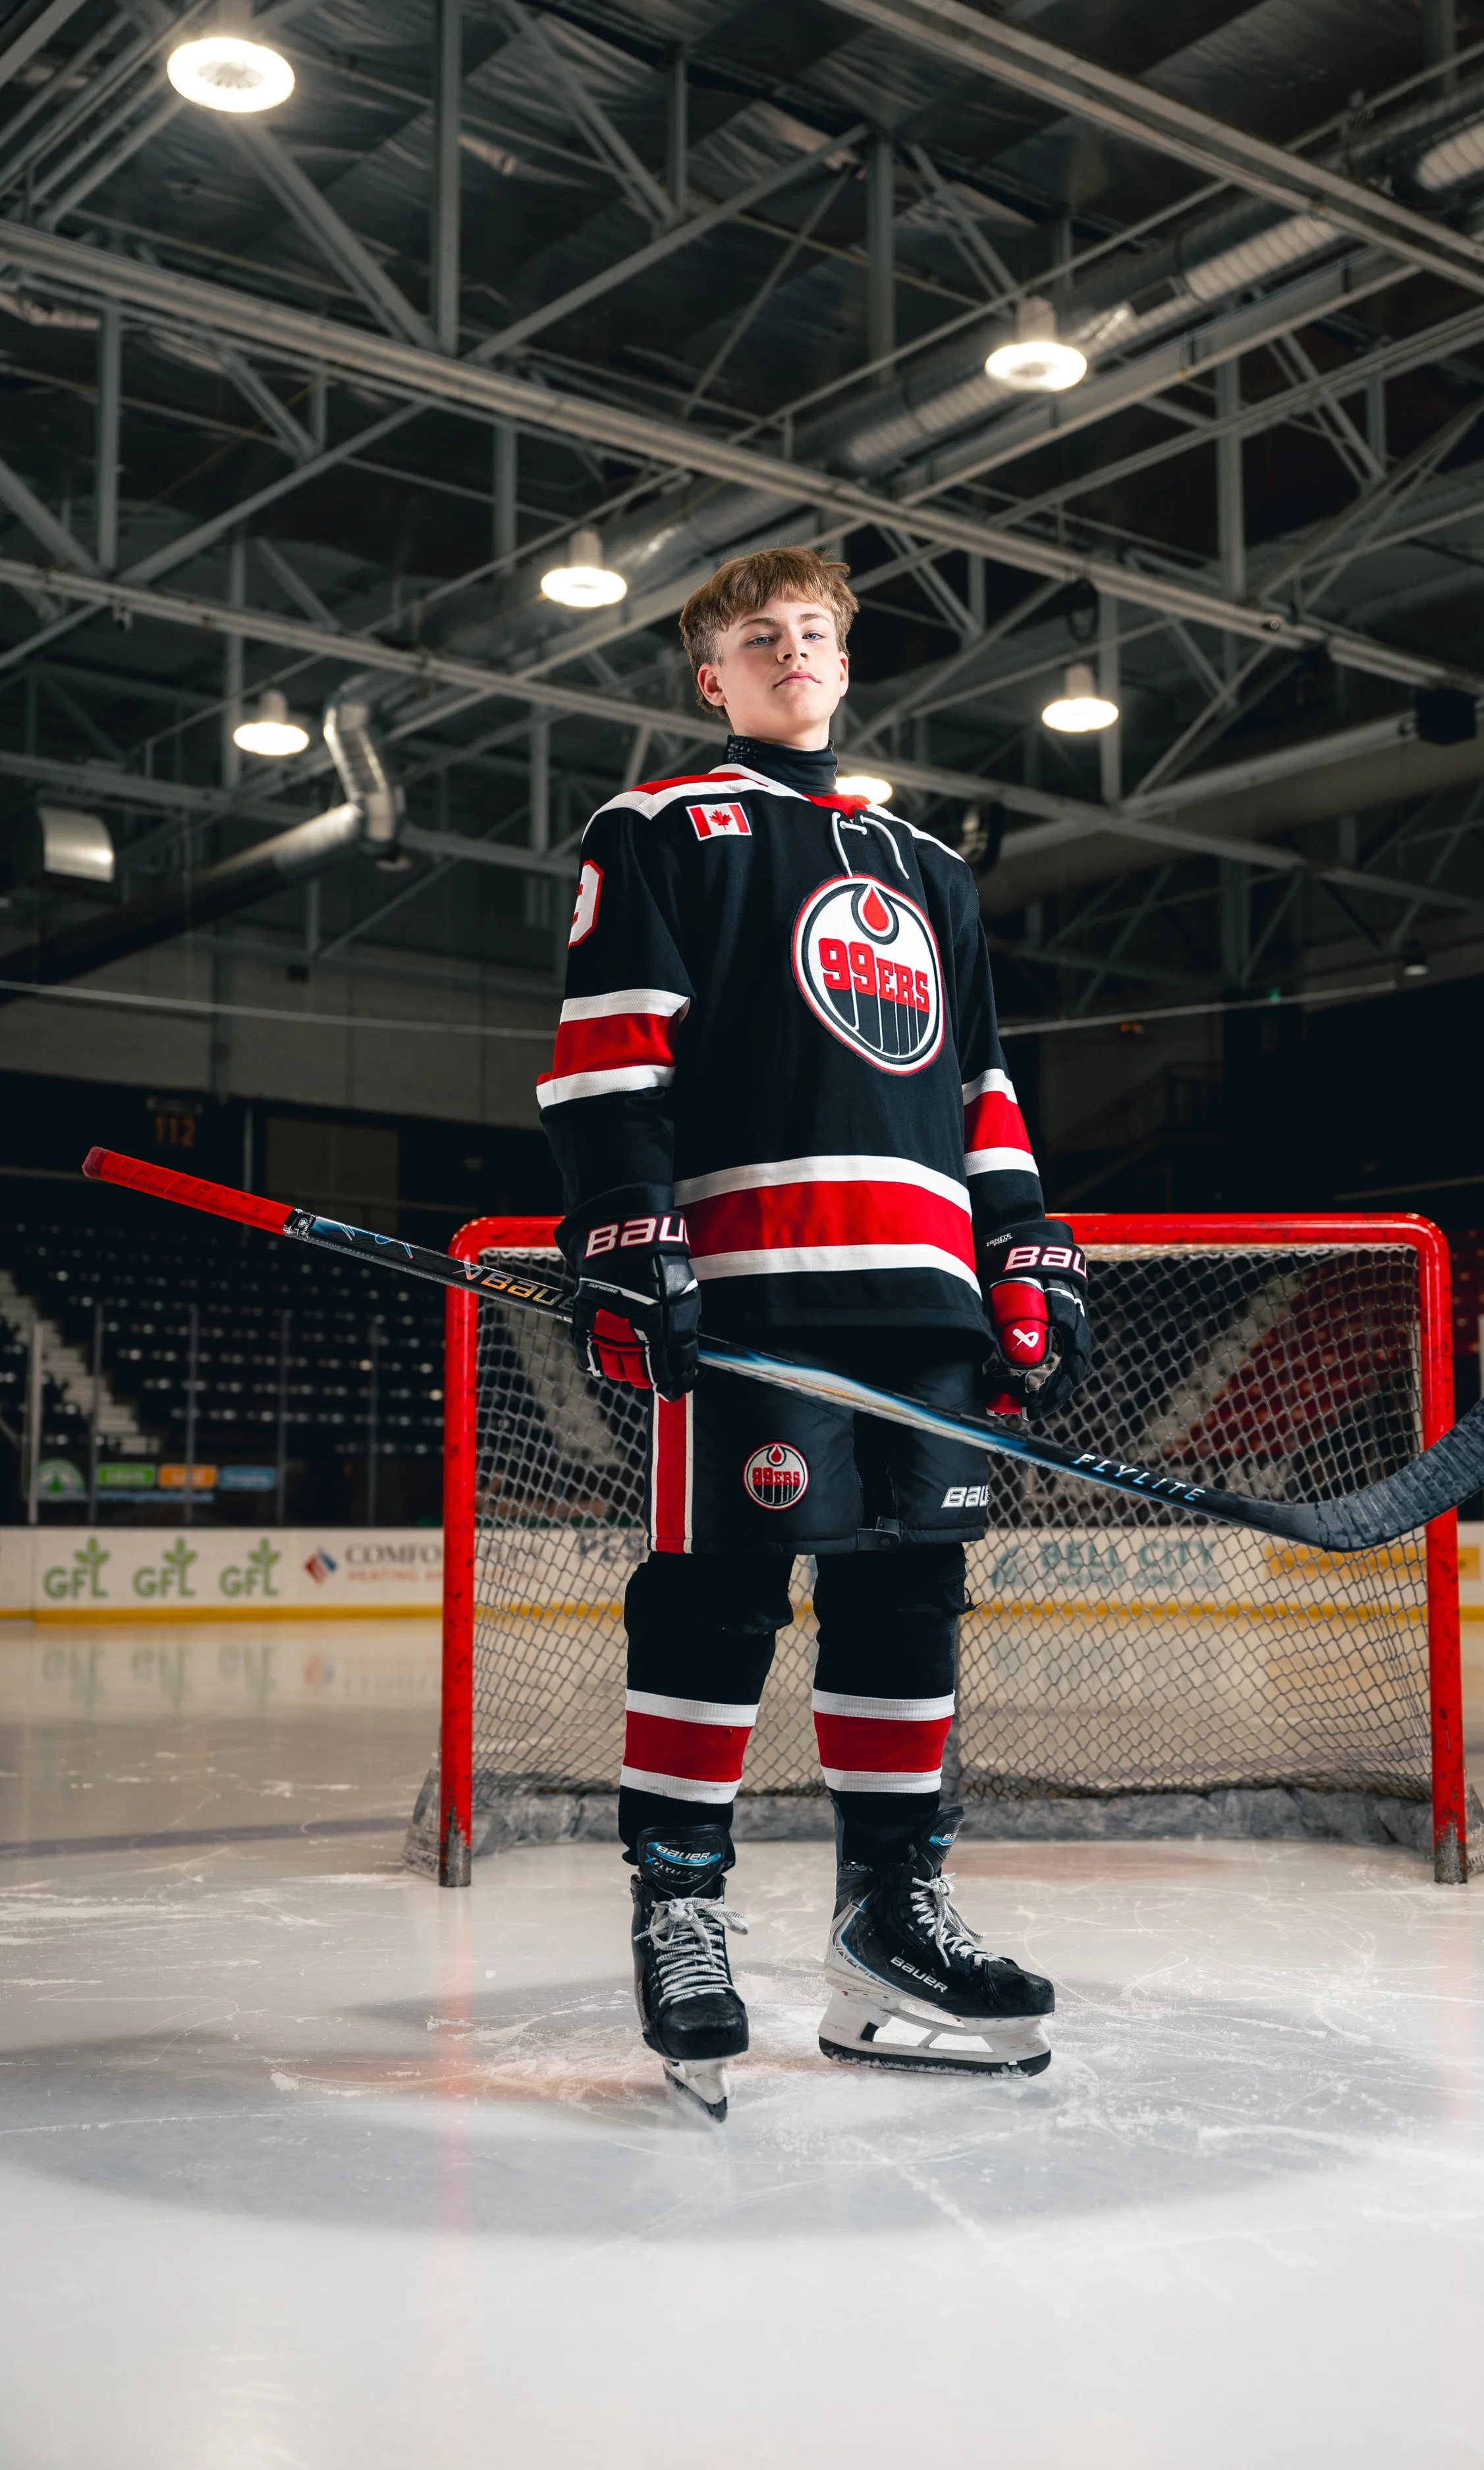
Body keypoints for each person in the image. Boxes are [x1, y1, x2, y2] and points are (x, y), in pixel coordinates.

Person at [537, 545, 1091, 2117]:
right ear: (708, 678)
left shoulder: (928, 867)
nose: (793, 653)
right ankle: (681, 1913)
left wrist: (1025, 1253)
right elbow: (605, 1056)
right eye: (755, 637)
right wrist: (630, 1233)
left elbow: (979, 1090)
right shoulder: (656, 829)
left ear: (846, 668)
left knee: (909, 1598)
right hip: (754, 1291)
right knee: (716, 1596)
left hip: (922, 1299)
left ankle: (887, 1924)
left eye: (816, 634)